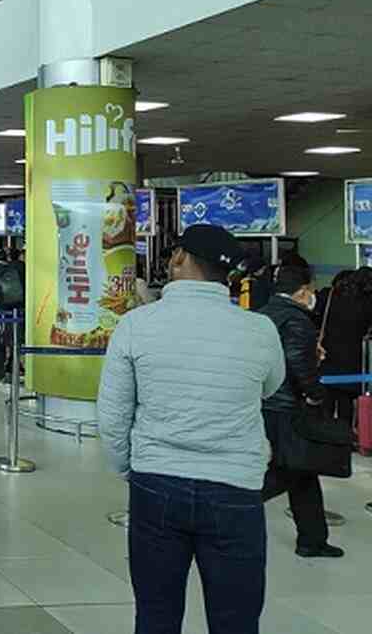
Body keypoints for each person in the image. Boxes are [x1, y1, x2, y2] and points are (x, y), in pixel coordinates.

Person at [98, 224, 286, 634]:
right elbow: (270, 386)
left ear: (179, 258)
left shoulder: (135, 325)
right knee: (236, 618)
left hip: (156, 482)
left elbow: (112, 415)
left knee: (156, 613)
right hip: (235, 488)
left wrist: (132, 468)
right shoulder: (260, 330)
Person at [259, 261, 343, 558]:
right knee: (288, 471)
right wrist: (315, 393)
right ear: (303, 290)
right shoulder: (297, 320)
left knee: (304, 472)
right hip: (288, 407)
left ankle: (312, 539)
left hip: (266, 403)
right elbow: (296, 362)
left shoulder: (263, 314)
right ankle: (235, 505)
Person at [317, 267, 372, 428]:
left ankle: (325, 435)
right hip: (352, 358)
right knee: (345, 401)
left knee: (327, 398)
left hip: (328, 354)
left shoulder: (330, 295)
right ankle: (344, 436)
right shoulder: (367, 302)